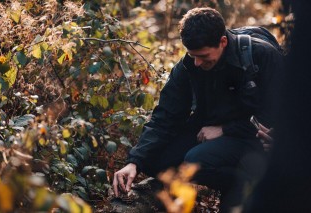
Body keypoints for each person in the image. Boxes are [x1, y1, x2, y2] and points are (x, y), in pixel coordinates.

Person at [113, 7, 283, 212]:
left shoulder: (262, 55)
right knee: (154, 162)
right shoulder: (189, 67)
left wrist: (226, 129)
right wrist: (134, 162)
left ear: (223, 42)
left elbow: (278, 113)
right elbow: (165, 117)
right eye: (192, 55)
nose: (197, 62)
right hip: (210, 131)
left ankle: (247, 188)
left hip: (251, 136)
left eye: (203, 56)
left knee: (196, 160)